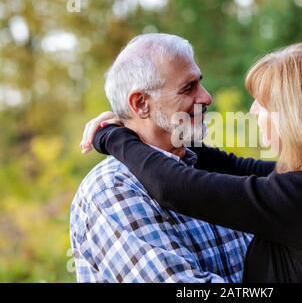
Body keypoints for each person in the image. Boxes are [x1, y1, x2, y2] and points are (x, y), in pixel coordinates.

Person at [83, 42, 302, 283]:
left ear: (301, 119)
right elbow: (231, 165)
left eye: (265, 104)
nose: (253, 112)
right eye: (188, 88)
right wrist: (156, 132)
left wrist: (113, 138)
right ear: (140, 103)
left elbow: (175, 187)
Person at [71, 33, 253, 283]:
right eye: (188, 88)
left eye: (200, 83)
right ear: (141, 103)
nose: (207, 97)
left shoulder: (203, 166)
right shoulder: (113, 189)